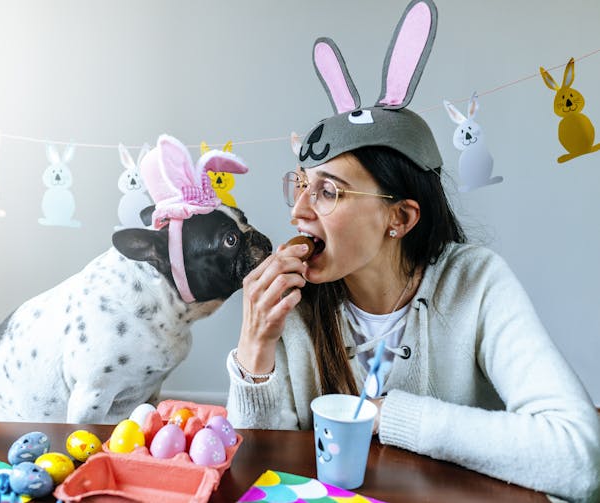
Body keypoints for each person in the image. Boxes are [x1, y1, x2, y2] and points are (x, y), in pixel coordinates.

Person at [225, 3, 600, 500]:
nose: (298, 212)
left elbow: (580, 457)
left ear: (398, 218)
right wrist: (255, 352)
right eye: (299, 185)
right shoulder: (292, 304)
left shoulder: (476, 284)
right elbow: (262, 474)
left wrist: (384, 415)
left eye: (329, 191)